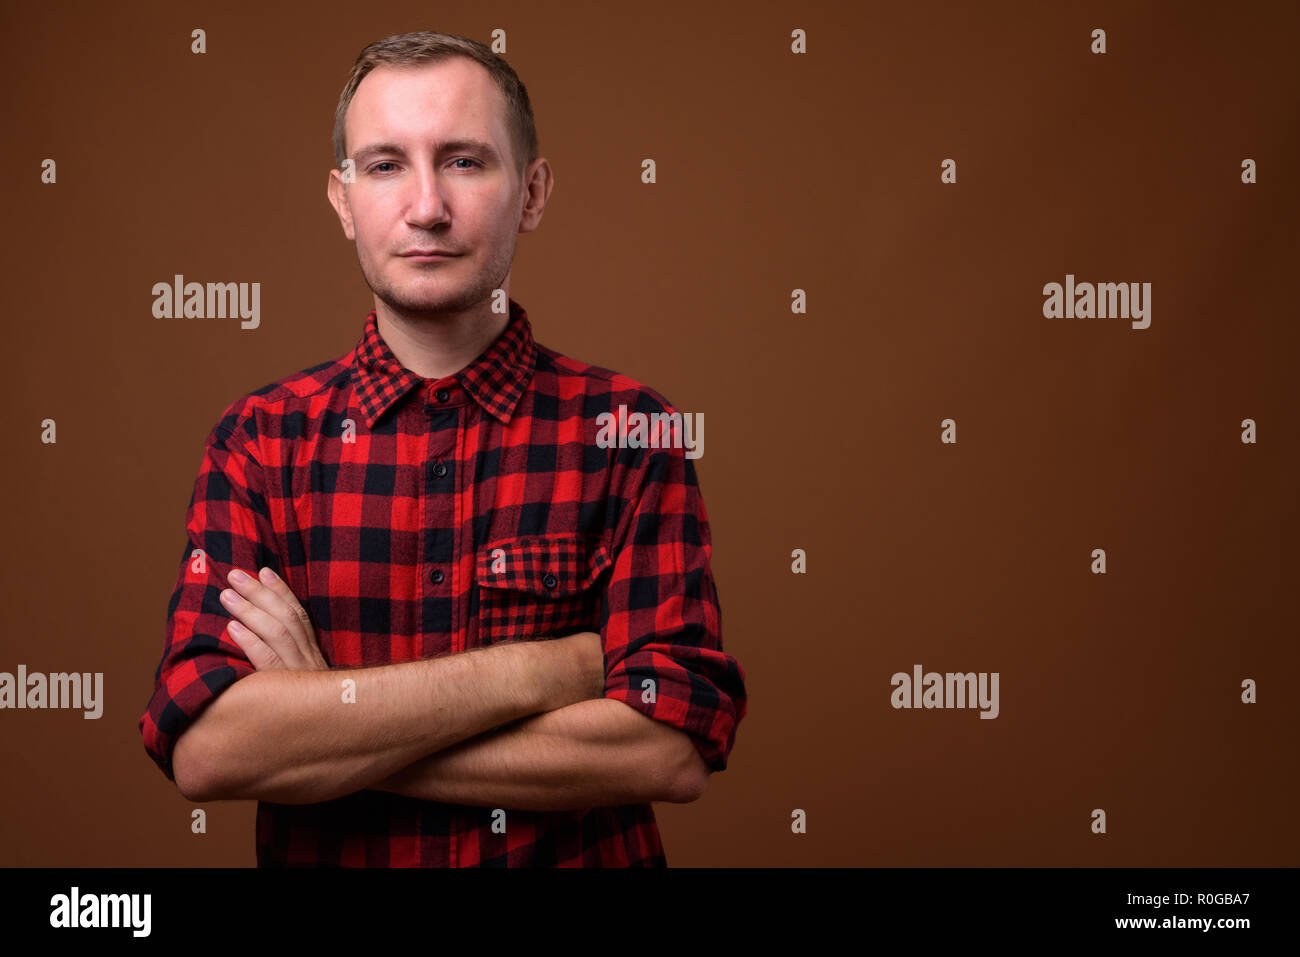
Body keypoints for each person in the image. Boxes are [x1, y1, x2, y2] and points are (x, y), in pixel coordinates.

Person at [138, 30, 747, 867]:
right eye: (385, 165)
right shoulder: (259, 443)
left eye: (464, 161)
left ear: (531, 192)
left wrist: (325, 720)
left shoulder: (632, 431)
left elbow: (668, 749)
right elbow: (206, 748)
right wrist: (541, 673)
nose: (426, 206)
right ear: (343, 199)